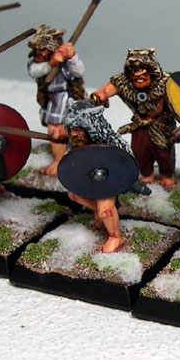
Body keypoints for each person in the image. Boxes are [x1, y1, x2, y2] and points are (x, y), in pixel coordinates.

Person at [91, 48, 179, 188]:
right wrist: (101, 95)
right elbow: (107, 89)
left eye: (143, 71)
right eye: (134, 71)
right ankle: (147, 174)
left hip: (162, 124)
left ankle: (166, 176)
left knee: (164, 152)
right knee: (139, 151)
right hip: (140, 123)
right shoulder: (124, 82)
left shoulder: (167, 82)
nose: (139, 76)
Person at [62, 99, 133, 253]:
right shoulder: (76, 142)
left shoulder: (109, 140)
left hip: (108, 180)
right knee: (74, 195)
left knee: (105, 209)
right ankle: (100, 213)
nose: (74, 134)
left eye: (79, 130)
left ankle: (115, 237)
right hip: (88, 178)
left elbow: (124, 160)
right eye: (72, 129)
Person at [26, 25, 86, 176]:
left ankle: (59, 162)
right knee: (56, 129)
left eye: (44, 49)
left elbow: (79, 71)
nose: (40, 53)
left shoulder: (65, 62)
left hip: (63, 97)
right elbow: (34, 71)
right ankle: (62, 158)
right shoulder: (38, 63)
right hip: (49, 98)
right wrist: (51, 63)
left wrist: (71, 56)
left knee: (56, 130)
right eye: (39, 49)